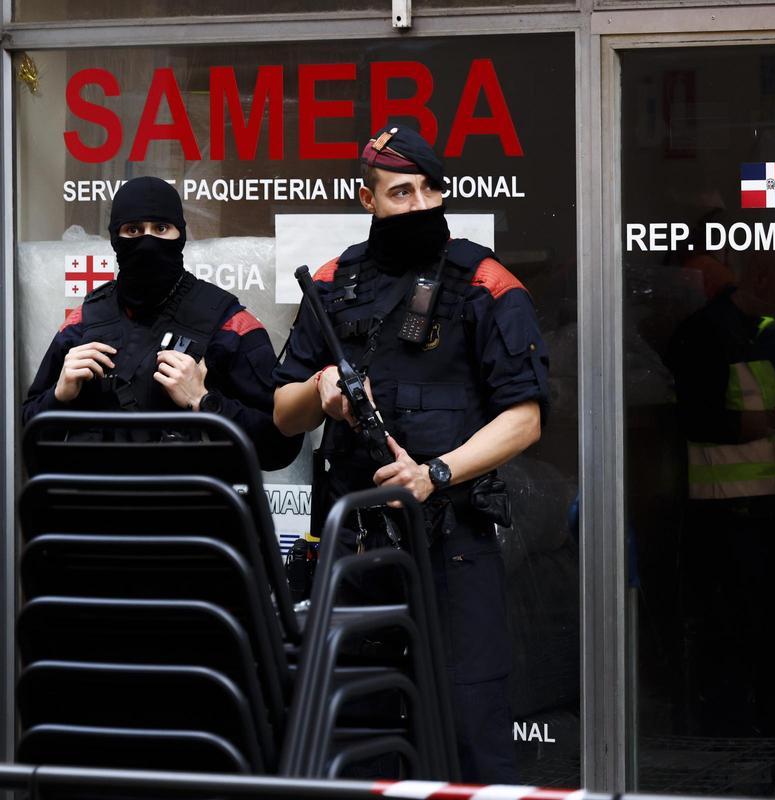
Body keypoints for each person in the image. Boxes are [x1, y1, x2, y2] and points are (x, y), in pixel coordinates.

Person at [272, 123, 548, 783]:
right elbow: (282, 413)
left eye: (430, 189)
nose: (420, 204)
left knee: (467, 726)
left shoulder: (482, 281)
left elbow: (526, 418)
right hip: (357, 549)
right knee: (355, 727)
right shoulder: (335, 282)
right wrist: (323, 392)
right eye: (401, 192)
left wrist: (434, 475)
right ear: (369, 200)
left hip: (451, 540)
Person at [666, 246, 775, 737]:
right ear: (759, 276)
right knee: (733, 660)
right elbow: (697, 419)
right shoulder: (706, 333)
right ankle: (737, 769)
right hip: (728, 524)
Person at [22, 176, 302, 472]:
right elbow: (28, 440)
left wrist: (204, 401)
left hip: (195, 512)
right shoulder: (83, 322)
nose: (147, 241)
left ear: (180, 235)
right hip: (98, 510)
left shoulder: (228, 323)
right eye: (133, 230)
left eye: (161, 228)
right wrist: (59, 396)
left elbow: (281, 444)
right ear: (116, 238)